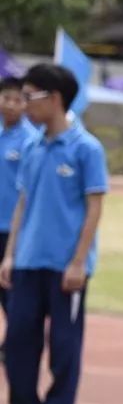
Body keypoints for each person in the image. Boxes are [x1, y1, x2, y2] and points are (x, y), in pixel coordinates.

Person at [0, 64, 109, 404]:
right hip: (28, 261)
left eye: (32, 96)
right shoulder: (31, 145)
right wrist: (10, 254)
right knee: (17, 341)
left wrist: (79, 261)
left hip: (66, 267)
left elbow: (93, 208)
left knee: (64, 344)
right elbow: (22, 203)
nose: (24, 104)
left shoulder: (86, 148)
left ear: (56, 98)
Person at [0, 77, 38, 319]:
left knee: (11, 289)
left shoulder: (31, 140)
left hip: (14, 228)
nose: (11, 104)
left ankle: (16, 341)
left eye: (18, 100)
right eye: (6, 98)